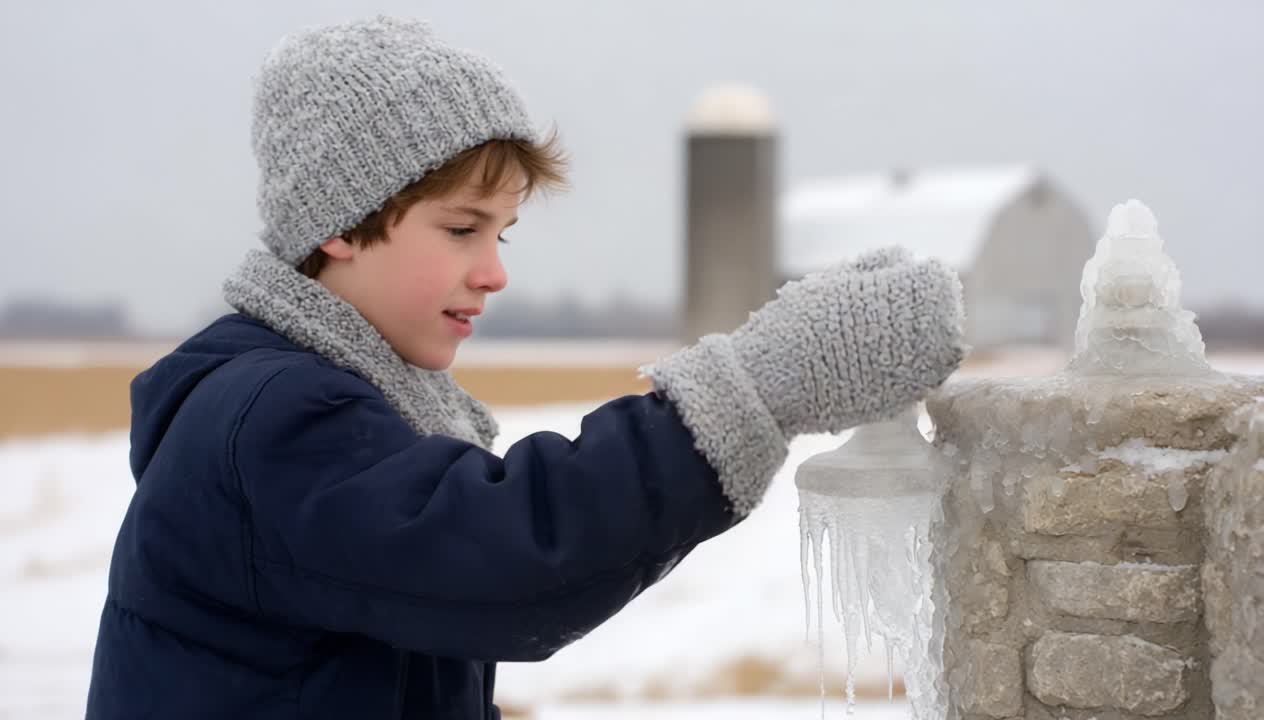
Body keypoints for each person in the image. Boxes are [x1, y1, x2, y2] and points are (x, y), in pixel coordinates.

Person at [85, 15, 966, 719]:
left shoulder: (320, 399)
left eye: (501, 235)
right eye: (462, 229)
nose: (495, 271)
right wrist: (760, 386)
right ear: (340, 225)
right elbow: (507, 559)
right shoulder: (274, 419)